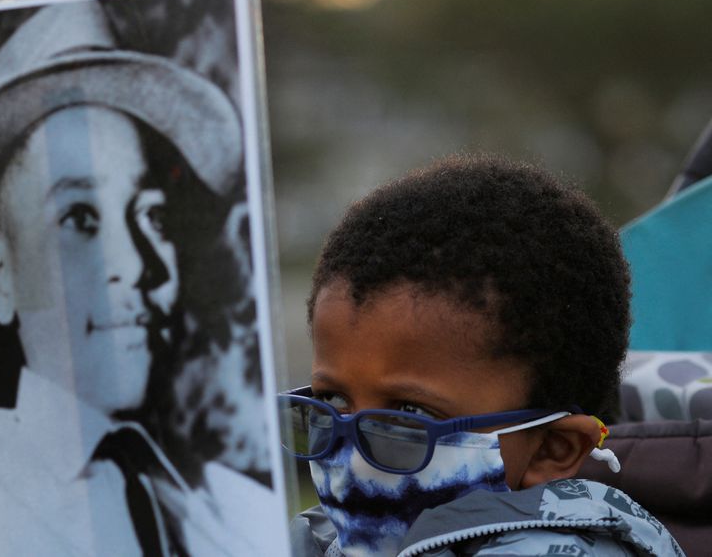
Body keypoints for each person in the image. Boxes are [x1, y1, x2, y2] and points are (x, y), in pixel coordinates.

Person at [0, 0, 285, 556]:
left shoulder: (245, 517)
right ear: (0, 274)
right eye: (80, 219)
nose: (140, 267)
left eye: (153, 218)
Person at [284, 155, 686, 556]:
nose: (350, 463)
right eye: (331, 400)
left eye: (410, 415)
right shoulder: (310, 541)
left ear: (551, 449)